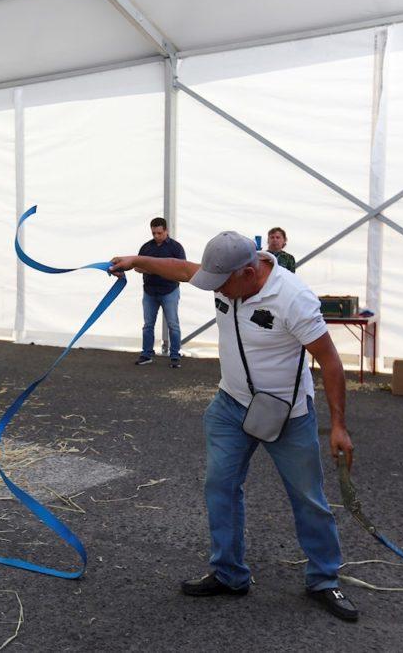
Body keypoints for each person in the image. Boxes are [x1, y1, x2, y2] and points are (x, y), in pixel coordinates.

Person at [109, 231, 358, 622]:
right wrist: (135, 260)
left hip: (287, 413)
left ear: (248, 271)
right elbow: (181, 269)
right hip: (231, 405)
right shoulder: (225, 277)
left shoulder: (293, 297)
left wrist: (339, 425)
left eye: (222, 282)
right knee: (220, 486)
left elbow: (329, 361)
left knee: (308, 497)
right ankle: (229, 574)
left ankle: (324, 579)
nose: (216, 290)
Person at [136, 217, 186, 368]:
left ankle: (175, 355)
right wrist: (156, 270)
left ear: (166, 231)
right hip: (150, 291)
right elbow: (137, 266)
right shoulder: (146, 248)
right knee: (148, 325)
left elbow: (182, 268)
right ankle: (146, 354)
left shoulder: (176, 248)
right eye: (153, 233)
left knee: (173, 325)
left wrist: (153, 269)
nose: (156, 236)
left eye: (159, 233)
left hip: (169, 291)